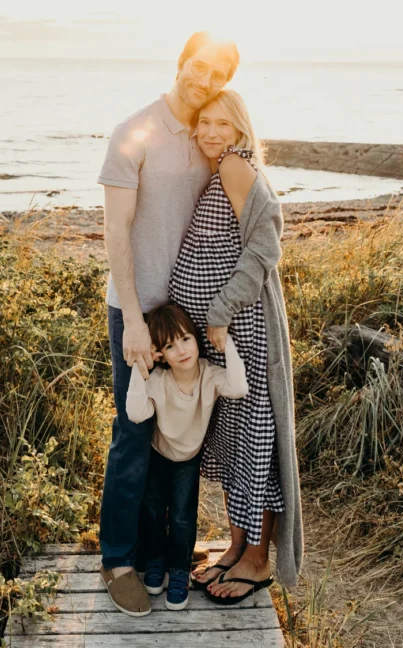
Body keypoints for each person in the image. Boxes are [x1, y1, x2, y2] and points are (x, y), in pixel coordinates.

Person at [97, 32, 240, 617]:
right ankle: (119, 560)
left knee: (175, 440)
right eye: (197, 66)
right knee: (133, 435)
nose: (201, 79)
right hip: (139, 314)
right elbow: (114, 231)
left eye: (215, 74)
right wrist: (132, 319)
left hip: (187, 316)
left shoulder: (210, 139)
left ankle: (161, 554)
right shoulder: (133, 132)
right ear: (182, 63)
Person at [169, 89, 304, 603]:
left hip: (239, 331)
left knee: (255, 445)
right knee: (232, 446)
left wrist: (220, 314)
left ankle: (256, 560)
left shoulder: (234, 167)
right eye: (204, 122)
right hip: (220, 338)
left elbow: (267, 244)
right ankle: (235, 546)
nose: (210, 132)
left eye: (222, 124)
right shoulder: (223, 168)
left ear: (240, 130)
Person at [126, 302, 248, 611]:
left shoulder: (209, 374)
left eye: (185, 339)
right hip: (159, 454)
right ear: (160, 354)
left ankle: (179, 570)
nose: (180, 350)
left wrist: (228, 342)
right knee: (153, 510)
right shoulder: (159, 380)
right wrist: (140, 368)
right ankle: (155, 560)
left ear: (196, 338)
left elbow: (238, 386)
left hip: (188, 460)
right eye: (169, 345)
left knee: (182, 516)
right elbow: (135, 412)